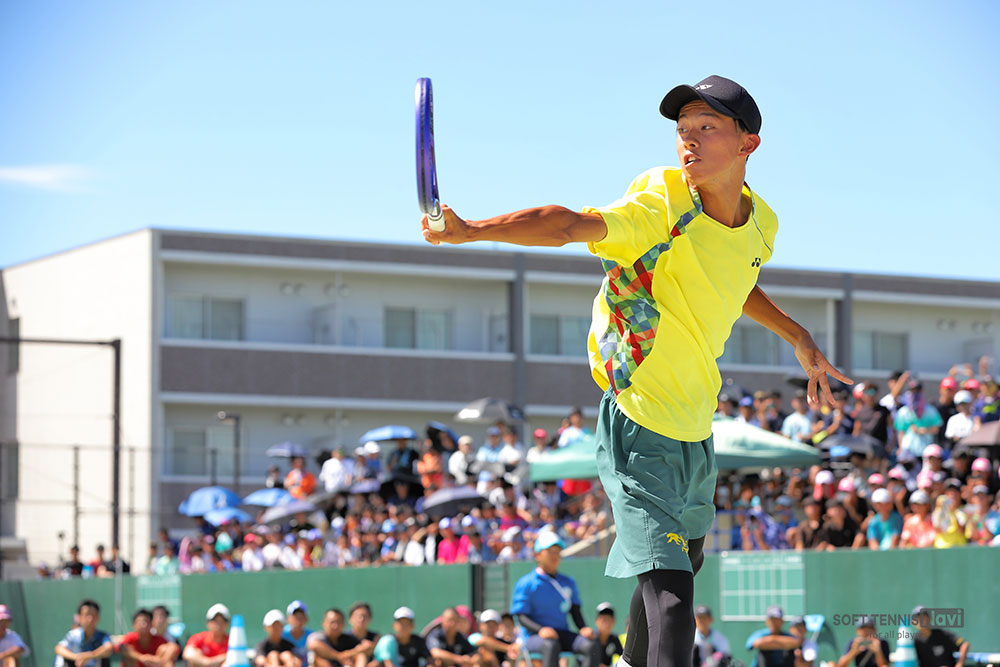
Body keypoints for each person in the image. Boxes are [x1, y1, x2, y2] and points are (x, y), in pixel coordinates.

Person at [422, 75, 848, 667]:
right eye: (683, 129)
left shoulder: (761, 224)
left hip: (697, 428)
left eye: (706, 127)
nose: (689, 140)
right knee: (673, 601)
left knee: (673, 576)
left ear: (748, 143)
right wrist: (473, 231)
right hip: (637, 422)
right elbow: (569, 224)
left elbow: (735, 279)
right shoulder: (661, 203)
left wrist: (797, 334)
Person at [510, 531, 603, 667]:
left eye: (557, 552)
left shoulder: (568, 582)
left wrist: (583, 628)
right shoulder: (526, 583)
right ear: (537, 555)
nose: (554, 556)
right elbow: (521, 617)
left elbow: (575, 610)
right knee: (551, 645)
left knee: (590, 645)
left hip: (561, 634)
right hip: (533, 637)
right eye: (550, 551)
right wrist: (541, 630)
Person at [54, 599, 114, 667]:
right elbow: (59, 648)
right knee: (62, 658)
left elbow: (108, 648)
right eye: (86, 615)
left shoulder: (103, 636)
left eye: (93, 615)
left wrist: (90, 655)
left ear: (98, 618)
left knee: (104, 657)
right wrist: (77, 657)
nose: (90, 619)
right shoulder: (73, 635)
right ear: (80, 617)